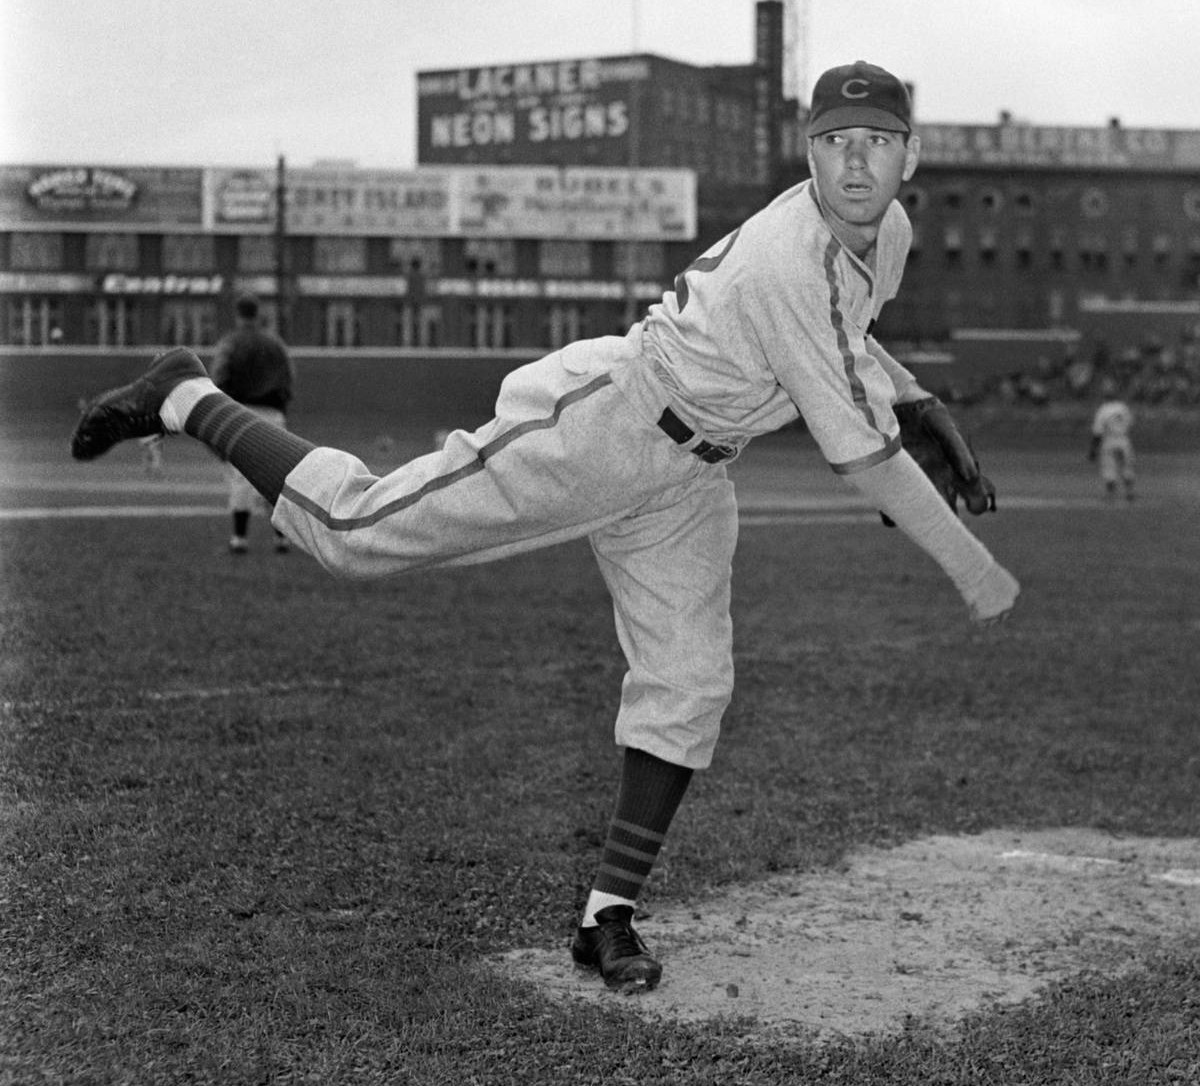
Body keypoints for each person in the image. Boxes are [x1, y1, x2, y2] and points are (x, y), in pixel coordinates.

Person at [70, 61, 1019, 994]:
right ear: (807, 154)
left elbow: (848, 331)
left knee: (689, 684)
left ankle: (606, 916)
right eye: (835, 141)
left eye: (876, 142)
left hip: (692, 474)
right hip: (609, 421)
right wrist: (974, 569)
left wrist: (915, 397)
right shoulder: (788, 253)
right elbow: (862, 458)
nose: (855, 162)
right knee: (356, 534)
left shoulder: (886, 232)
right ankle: (187, 395)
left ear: (909, 156)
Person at [209, 292, 296, 553]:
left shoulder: (231, 342)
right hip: (273, 413)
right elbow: (289, 377)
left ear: (238, 314)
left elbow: (219, 376)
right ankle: (282, 538)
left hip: (241, 413)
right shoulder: (275, 343)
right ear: (258, 314)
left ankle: (239, 538)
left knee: (241, 476)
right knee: (276, 475)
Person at [1088, 380, 1135, 502]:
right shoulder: (1123, 407)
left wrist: (1093, 449)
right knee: (1126, 466)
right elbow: (1130, 424)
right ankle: (1129, 492)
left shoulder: (1103, 409)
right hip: (1124, 439)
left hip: (1109, 440)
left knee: (1109, 467)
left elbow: (1098, 431)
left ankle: (1111, 494)